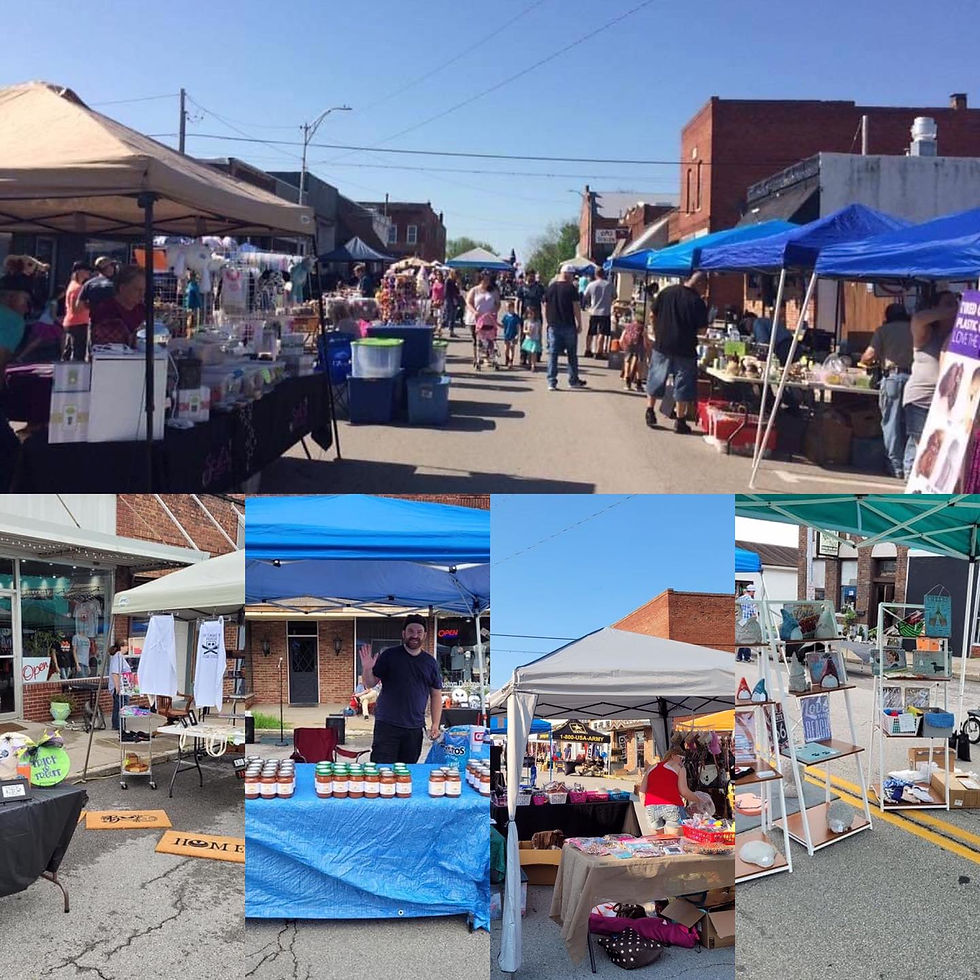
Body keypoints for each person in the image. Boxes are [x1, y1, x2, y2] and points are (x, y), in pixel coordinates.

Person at [358, 615, 443, 764]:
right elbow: (371, 683)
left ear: (424, 635)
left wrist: (435, 723)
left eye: (419, 632)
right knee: (382, 772)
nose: (415, 635)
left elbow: (436, 695)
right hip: (387, 726)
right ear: (403, 633)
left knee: (406, 773)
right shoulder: (389, 656)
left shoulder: (430, 663)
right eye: (411, 631)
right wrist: (366, 669)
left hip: (414, 728)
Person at [903, 290, 960, 476]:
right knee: (926, 450)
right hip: (920, 400)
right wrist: (951, 311)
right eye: (947, 303)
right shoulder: (927, 333)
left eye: (955, 302)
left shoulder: (958, 338)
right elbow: (917, 319)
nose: (953, 307)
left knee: (940, 453)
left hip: (944, 404)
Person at [645, 272, 708, 433]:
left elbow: (652, 314)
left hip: (663, 344)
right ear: (700, 284)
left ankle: (650, 411)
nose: (705, 291)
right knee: (683, 383)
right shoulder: (697, 302)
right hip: (685, 348)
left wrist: (657, 331)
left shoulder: (667, 292)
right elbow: (702, 330)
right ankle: (680, 421)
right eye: (705, 287)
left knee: (656, 377)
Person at [860, 303, 913, 479]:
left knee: (891, 423)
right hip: (914, 378)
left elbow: (868, 356)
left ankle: (895, 466)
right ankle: (909, 466)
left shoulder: (883, 330)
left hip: (893, 378)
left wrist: (866, 361)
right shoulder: (915, 328)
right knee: (910, 425)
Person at [0, 271, 34, 490]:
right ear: (11, 297)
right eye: (25, 301)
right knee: (9, 450)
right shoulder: (12, 320)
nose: (27, 308)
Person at [639, 733, 702, 832]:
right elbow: (684, 791)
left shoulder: (652, 767)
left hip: (651, 807)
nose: (682, 761)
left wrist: (645, 803)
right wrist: (698, 800)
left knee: (657, 842)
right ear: (672, 756)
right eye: (681, 758)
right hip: (672, 805)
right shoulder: (680, 768)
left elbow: (642, 791)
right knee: (675, 842)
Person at [543, 265, 587, 391]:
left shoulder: (550, 288)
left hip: (553, 325)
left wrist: (548, 321)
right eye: (572, 275)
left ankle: (552, 381)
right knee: (572, 354)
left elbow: (545, 305)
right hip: (568, 325)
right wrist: (579, 323)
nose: (573, 278)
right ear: (567, 274)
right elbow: (576, 307)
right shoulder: (571, 288)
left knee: (553, 354)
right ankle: (573, 380)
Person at [90, 265, 147, 348]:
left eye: (144, 290)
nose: (142, 294)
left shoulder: (143, 310)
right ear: (122, 288)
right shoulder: (105, 311)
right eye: (137, 289)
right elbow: (105, 344)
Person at [465, 271, 501, 368]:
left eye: (488, 279)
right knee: (477, 339)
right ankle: (476, 358)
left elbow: (498, 303)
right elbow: (468, 302)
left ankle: (489, 357)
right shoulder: (474, 290)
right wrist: (474, 311)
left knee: (489, 338)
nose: (487, 281)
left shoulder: (493, 291)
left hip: (489, 318)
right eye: (485, 279)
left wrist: (495, 311)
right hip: (476, 318)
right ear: (480, 280)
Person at [62, 261, 93, 361]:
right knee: (78, 354)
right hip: (78, 324)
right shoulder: (78, 288)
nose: (89, 273)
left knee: (69, 351)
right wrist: (90, 305)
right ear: (79, 272)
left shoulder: (73, 285)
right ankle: (74, 375)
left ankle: (63, 374)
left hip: (73, 323)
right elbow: (75, 309)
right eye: (86, 270)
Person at [583, 266, 614, 358]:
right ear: (604, 274)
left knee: (591, 332)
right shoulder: (609, 285)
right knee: (602, 332)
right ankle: (598, 351)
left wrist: (589, 305)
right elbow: (615, 296)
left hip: (594, 311)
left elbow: (585, 295)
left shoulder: (591, 285)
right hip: (605, 312)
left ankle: (588, 350)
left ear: (595, 274)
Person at [619, 310, 646, 391]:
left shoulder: (628, 326)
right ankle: (638, 384)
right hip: (639, 345)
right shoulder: (642, 327)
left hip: (628, 344)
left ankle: (627, 382)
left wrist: (623, 346)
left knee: (627, 361)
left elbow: (621, 339)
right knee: (639, 363)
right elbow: (646, 340)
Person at [107, 640, 130, 732]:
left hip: (123, 686)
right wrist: (117, 687)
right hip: (120, 687)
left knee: (119, 705)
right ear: (121, 647)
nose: (127, 647)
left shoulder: (120, 657)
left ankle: (118, 724)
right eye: (126, 645)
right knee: (121, 705)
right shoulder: (118, 657)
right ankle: (118, 725)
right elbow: (115, 672)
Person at [521, 303, 543, 371]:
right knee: (529, 353)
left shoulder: (538, 322)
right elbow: (523, 330)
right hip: (529, 339)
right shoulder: (526, 321)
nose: (530, 315)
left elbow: (540, 331)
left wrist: (540, 340)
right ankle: (529, 363)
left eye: (531, 313)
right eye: (528, 314)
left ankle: (533, 365)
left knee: (534, 352)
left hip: (535, 339)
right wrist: (527, 331)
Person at [501, 299, 521, 368]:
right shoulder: (505, 317)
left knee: (512, 348)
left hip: (513, 335)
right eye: (506, 307)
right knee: (506, 348)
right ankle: (507, 359)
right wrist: (496, 324)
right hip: (506, 335)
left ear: (513, 307)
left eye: (509, 307)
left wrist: (518, 335)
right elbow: (503, 325)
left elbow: (518, 327)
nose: (507, 309)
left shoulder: (516, 317)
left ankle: (511, 361)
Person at [444, 270, 461, 338]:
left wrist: (458, 285)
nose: (456, 276)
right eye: (455, 274)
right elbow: (446, 292)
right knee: (448, 315)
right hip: (449, 299)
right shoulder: (448, 281)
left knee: (453, 316)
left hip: (454, 300)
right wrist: (450, 298)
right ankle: (439, 328)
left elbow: (457, 291)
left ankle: (451, 331)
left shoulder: (454, 281)